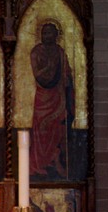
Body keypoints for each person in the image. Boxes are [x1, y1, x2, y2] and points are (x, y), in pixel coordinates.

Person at [29, 22, 74, 178]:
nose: (46, 36)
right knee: (41, 129)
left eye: (49, 33)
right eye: (44, 32)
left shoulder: (60, 52)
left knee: (57, 128)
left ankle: (54, 162)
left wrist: (67, 78)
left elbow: (66, 72)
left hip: (57, 95)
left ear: (56, 35)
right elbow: (38, 75)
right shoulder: (36, 52)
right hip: (43, 96)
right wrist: (48, 67)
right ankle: (39, 163)